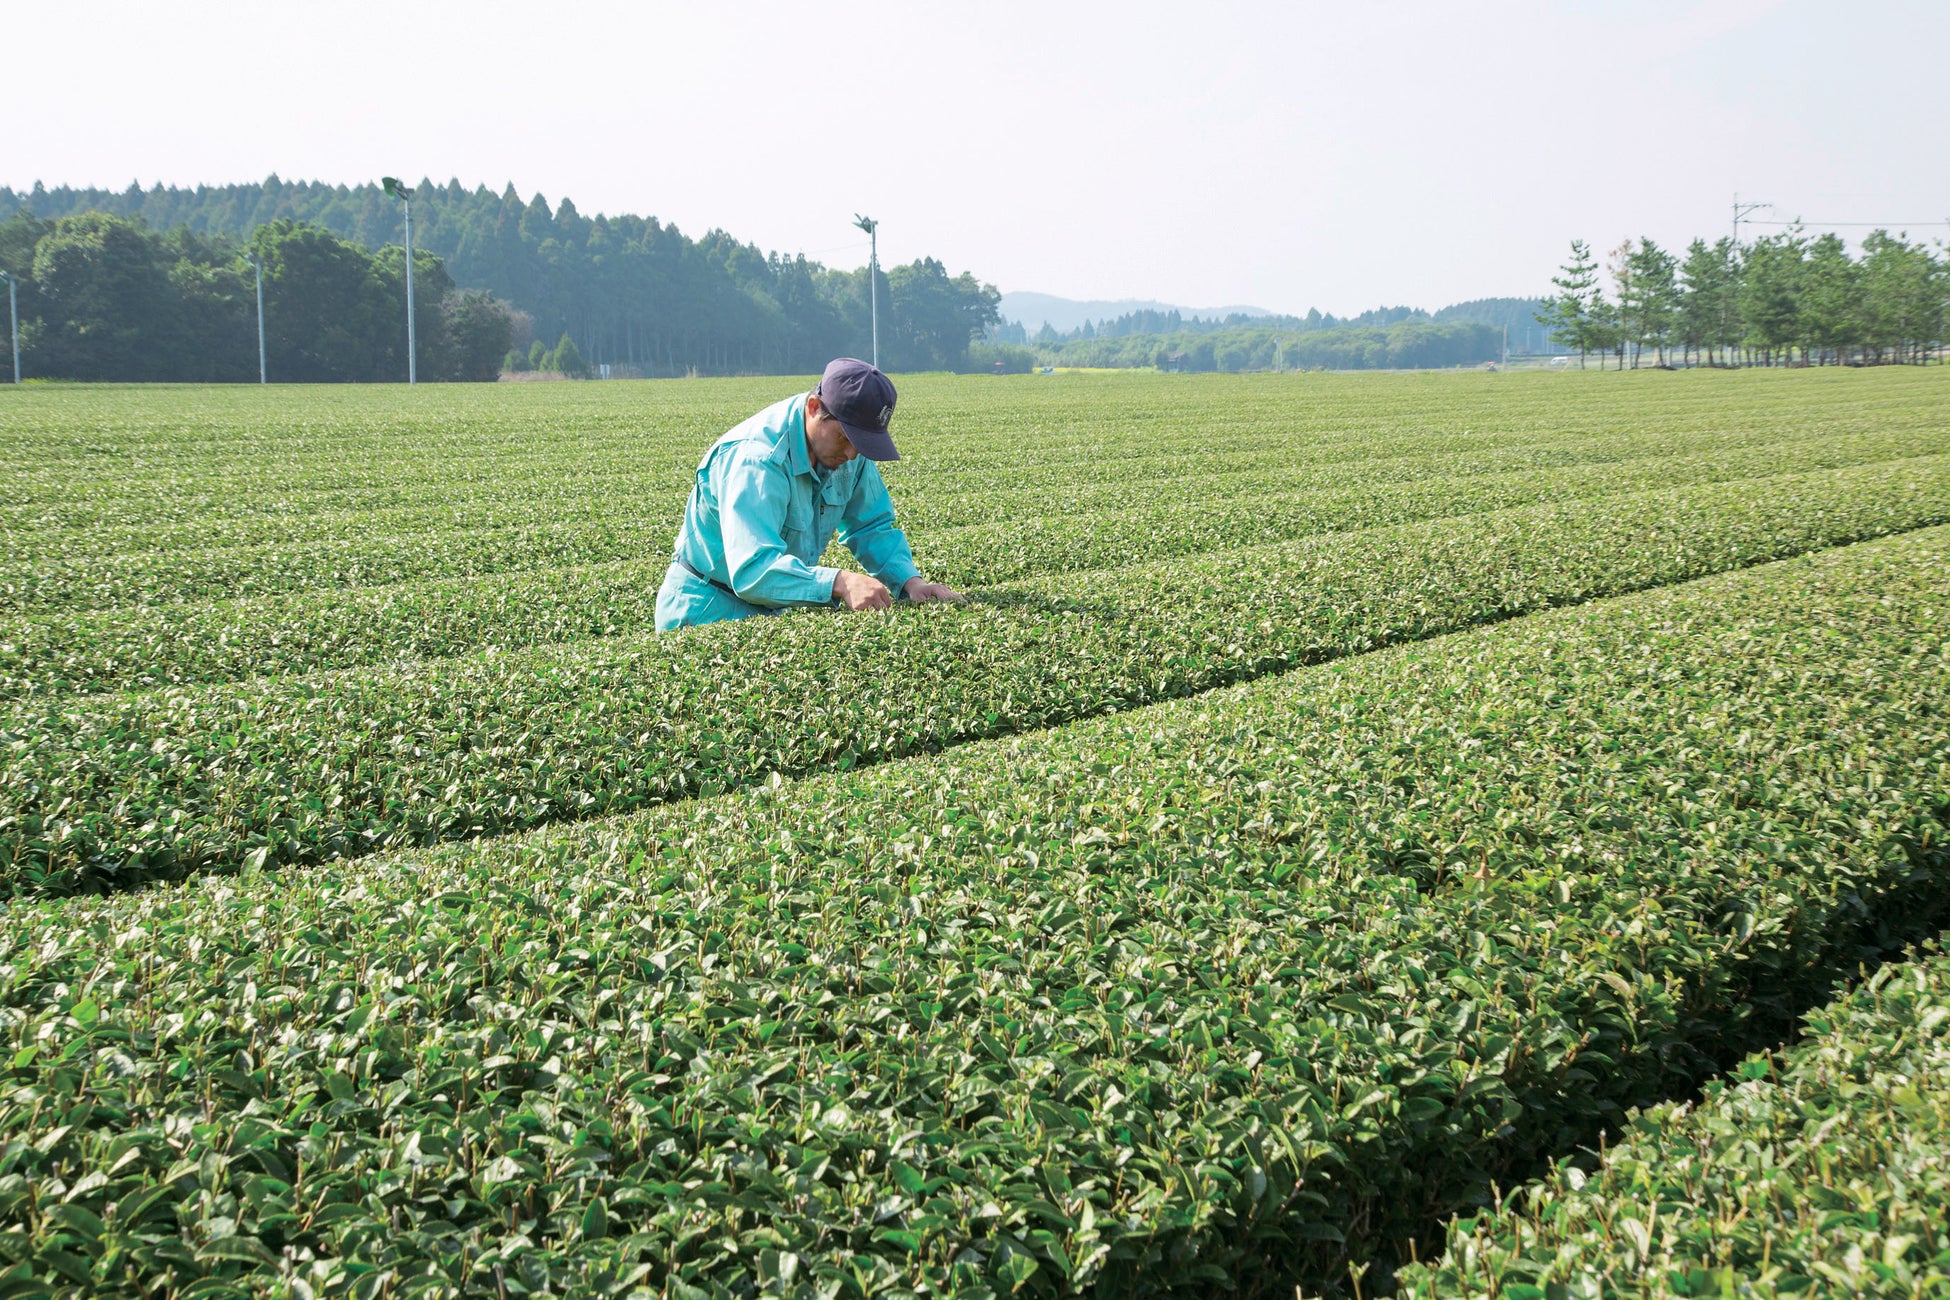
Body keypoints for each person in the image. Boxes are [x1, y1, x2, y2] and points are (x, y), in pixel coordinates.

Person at [655, 358, 964, 632]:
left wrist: (911, 582)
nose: (854, 453)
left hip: (771, 612)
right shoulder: (758, 461)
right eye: (846, 437)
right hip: (706, 612)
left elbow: (870, 526)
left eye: (864, 443)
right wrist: (839, 582)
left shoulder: (847, 453)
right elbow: (753, 569)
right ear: (814, 408)